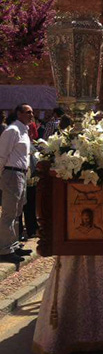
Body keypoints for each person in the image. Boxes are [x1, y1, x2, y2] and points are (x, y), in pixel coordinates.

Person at [0, 104, 34, 264]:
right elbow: (2, 155)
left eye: (32, 112)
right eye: (28, 112)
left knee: (17, 211)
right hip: (11, 173)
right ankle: (5, 249)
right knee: (9, 213)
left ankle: (13, 245)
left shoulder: (24, 131)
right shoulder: (12, 131)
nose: (31, 115)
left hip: (20, 174)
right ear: (19, 114)